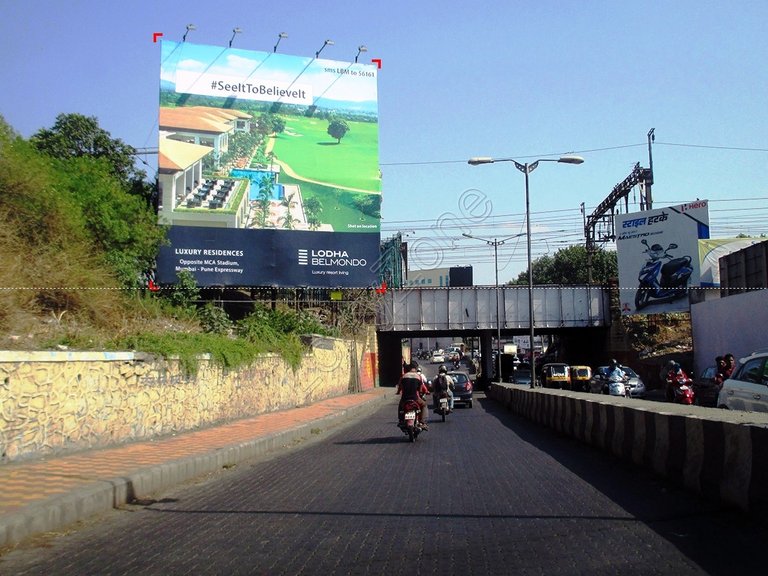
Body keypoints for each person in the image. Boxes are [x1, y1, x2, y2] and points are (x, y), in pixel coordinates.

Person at [396, 361, 429, 430]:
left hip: (405, 399)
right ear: (416, 368)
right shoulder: (419, 376)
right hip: (415, 398)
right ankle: (422, 422)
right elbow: (420, 389)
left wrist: (398, 392)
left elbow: (400, 386)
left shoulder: (404, 376)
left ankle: (401, 420)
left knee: (400, 406)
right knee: (424, 405)